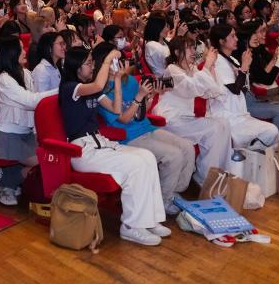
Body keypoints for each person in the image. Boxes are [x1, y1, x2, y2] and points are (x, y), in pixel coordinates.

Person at [58, 46, 170, 246]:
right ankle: (131, 226)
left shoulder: (92, 90)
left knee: (146, 157)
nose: (92, 67)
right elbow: (98, 84)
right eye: (88, 63)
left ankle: (149, 219)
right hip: (82, 150)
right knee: (135, 165)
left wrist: (118, 80)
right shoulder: (70, 88)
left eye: (93, 62)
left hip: (100, 143)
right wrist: (109, 58)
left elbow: (116, 108)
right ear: (76, 67)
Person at [98, 42, 195, 216]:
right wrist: (140, 96)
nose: (121, 63)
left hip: (146, 128)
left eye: (120, 59)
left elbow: (141, 113)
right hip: (127, 136)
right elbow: (125, 118)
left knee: (187, 147)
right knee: (173, 156)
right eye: (115, 60)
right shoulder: (102, 91)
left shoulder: (128, 81)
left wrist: (152, 95)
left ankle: (170, 192)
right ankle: (163, 201)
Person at [155, 37, 233, 186]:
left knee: (223, 123)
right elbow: (190, 88)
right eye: (189, 48)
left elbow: (211, 92)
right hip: (170, 119)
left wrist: (211, 67)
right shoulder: (172, 69)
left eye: (193, 48)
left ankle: (218, 174)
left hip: (185, 118)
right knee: (214, 128)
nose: (193, 51)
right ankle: (205, 177)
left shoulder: (192, 69)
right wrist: (207, 65)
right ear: (178, 52)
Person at [0, 37, 57, 206]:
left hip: (25, 134)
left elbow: (35, 105)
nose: (25, 51)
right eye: (21, 49)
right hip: (8, 136)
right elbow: (31, 101)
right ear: (12, 53)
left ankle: (6, 178)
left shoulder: (25, 73)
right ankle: (7, 181)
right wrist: (59, 90)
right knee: (43, 161)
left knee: (51, 159)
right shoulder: (4, 79)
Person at [207, 24, 279, 150]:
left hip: (240, 113)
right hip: (227, 117)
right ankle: (247, 155)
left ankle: (252, 157)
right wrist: (244, 67)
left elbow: (243, 89)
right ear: (221, 41)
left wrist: (244, 70)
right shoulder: (217, 61)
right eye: (232, 36)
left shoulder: (233, 60)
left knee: (272, 132)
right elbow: (235, 90)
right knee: (271, 131)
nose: (236, 39)